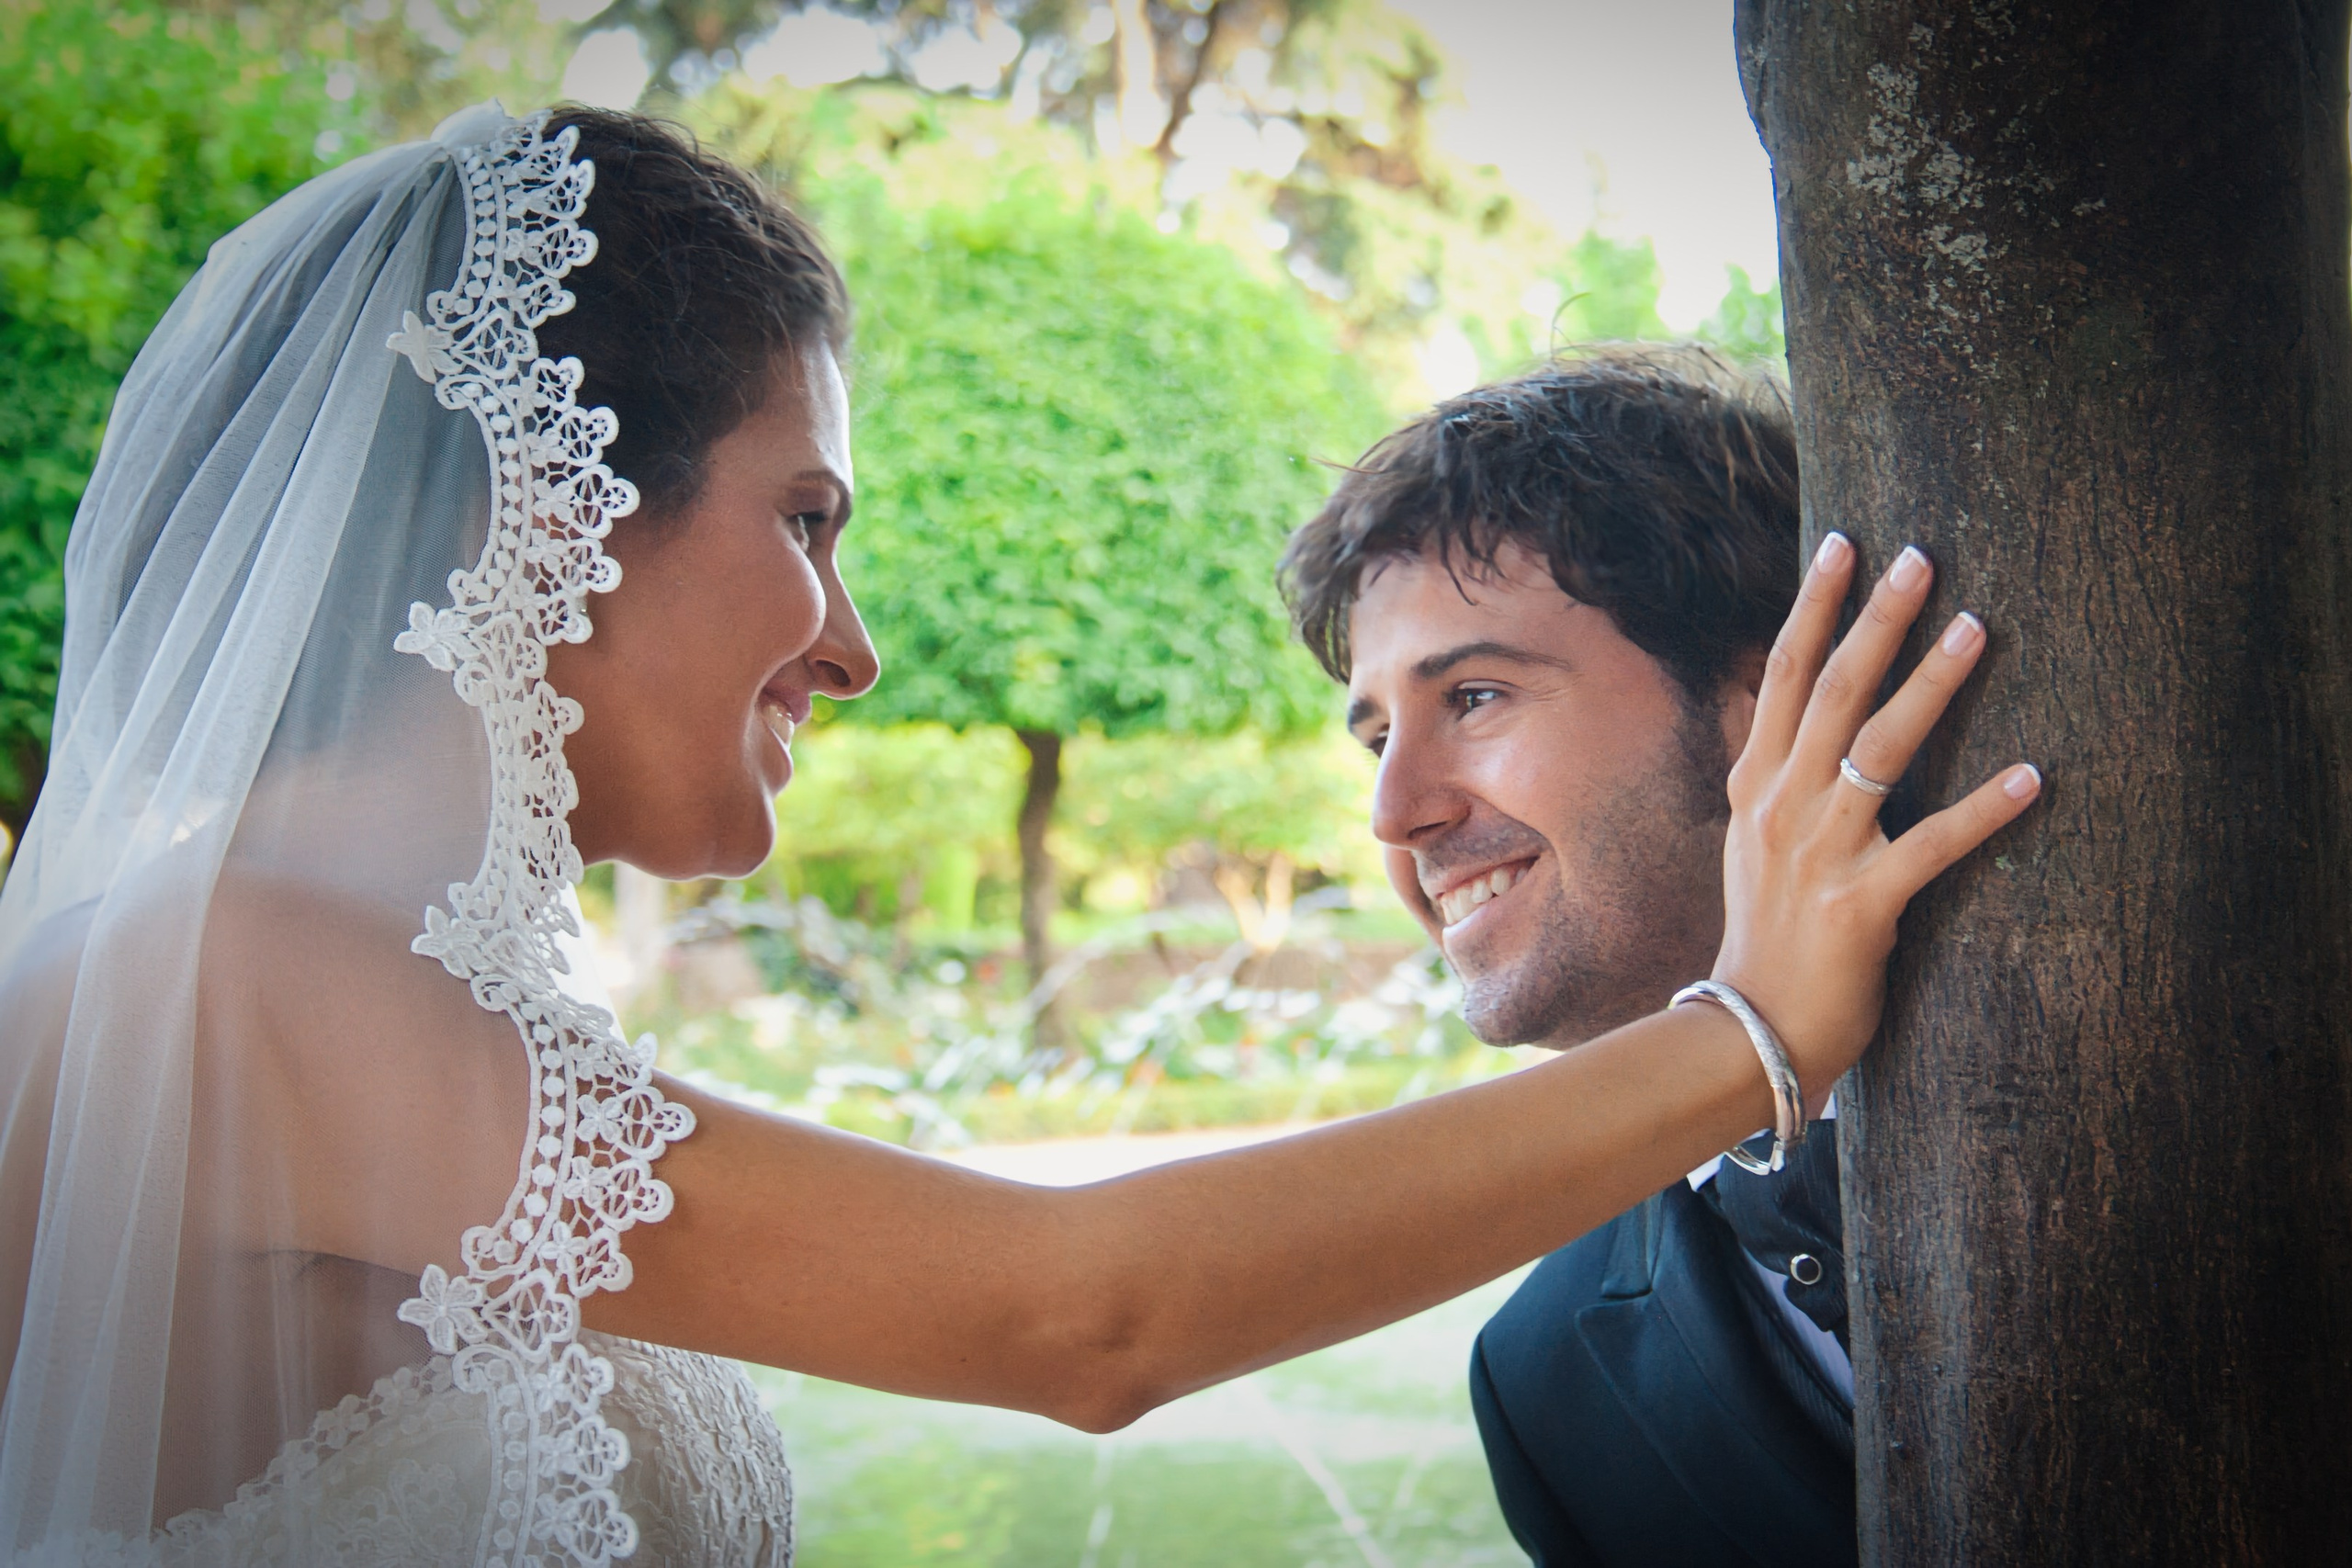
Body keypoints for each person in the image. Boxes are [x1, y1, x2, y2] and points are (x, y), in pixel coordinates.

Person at [0, 105, 2037, 1563]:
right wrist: (1754, 1025)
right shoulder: (224, 978)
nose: (858, 646)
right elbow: (1080, 1308)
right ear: (544, 515)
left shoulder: (351, 990)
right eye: (806, 519)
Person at [1282, 353, 1896, 1565]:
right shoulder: (1542, 1380)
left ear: (1762, 699)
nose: (1393, 813)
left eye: (1475, 696)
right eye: (1374, 741)